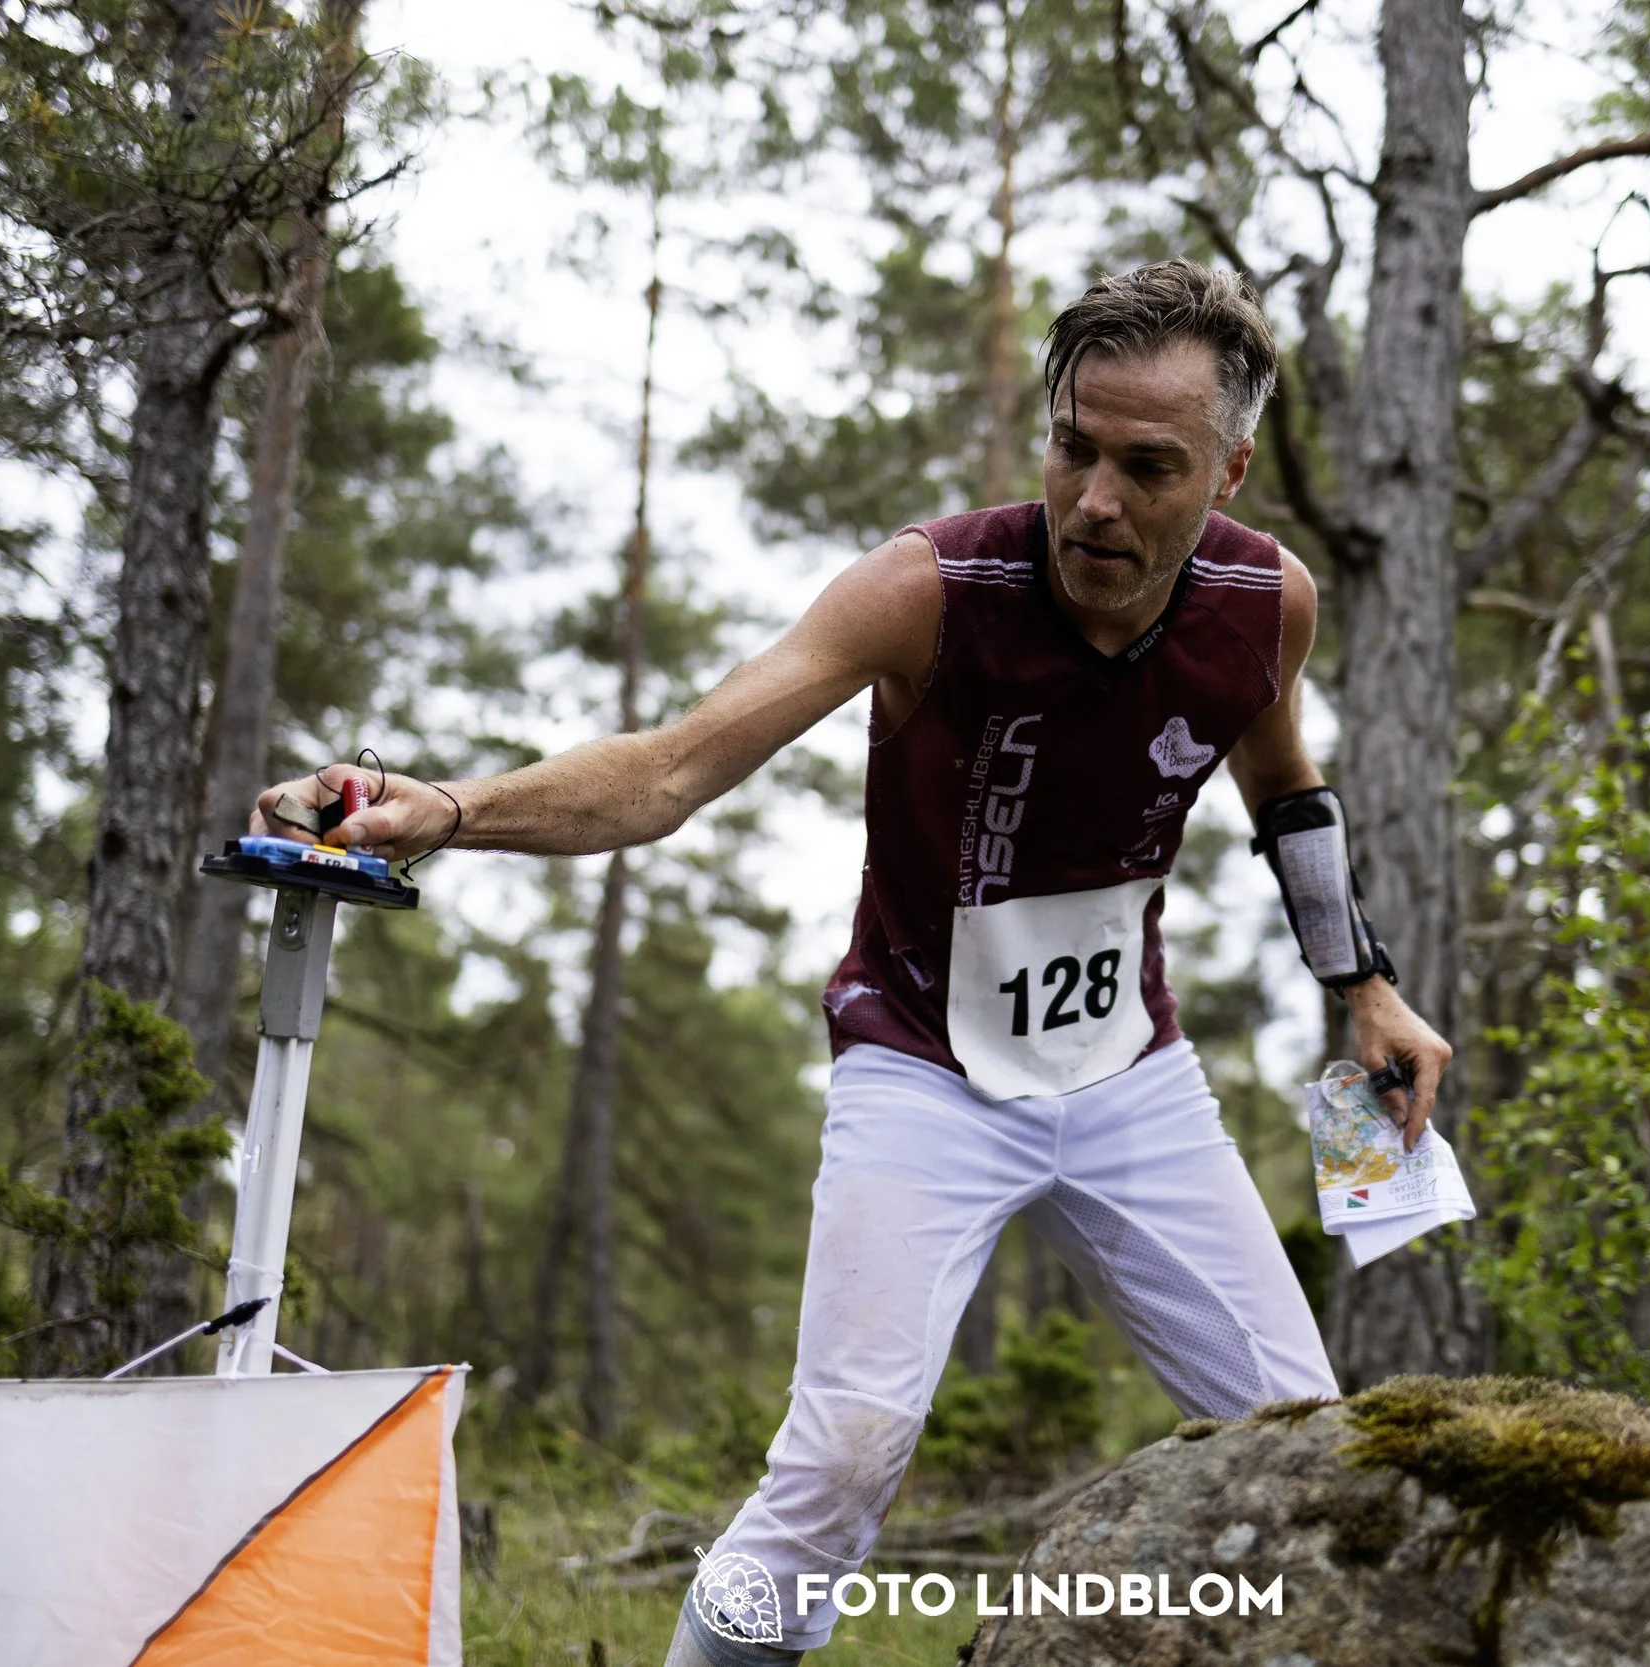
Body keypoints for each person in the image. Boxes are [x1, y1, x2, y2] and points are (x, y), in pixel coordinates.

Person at [254, 261, 1452, 1665]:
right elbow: (668, 775)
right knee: (844, 1455)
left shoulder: (1267, 603)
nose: (1096, 503)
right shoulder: (929, 589)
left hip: (1130, 1073)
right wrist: (448, 810)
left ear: (1231, 472)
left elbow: (1284, 787)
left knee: (1305, 1439)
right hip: (922, 1067)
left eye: (1148, 466)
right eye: (1074, 447)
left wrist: (1358, 983)